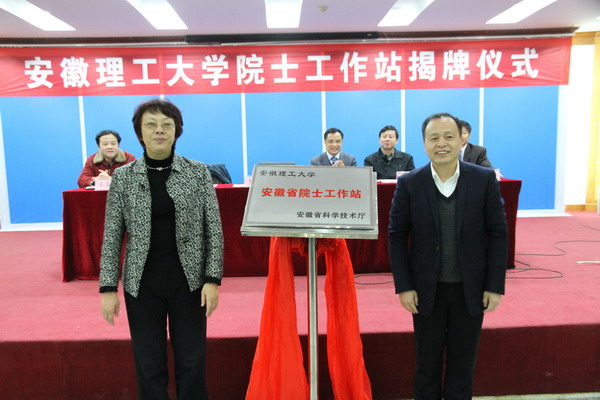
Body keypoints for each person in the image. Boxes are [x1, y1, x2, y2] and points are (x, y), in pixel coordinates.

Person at [99, 99, 224, 400]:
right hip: (142, 282)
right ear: (140, 133)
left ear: (176, 131)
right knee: (149, 362)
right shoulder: (124, 177)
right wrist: (107, 288)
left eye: (167, 125)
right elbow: (112, 235)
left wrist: (212, 279)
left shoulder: (197, 172)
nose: (159, 130)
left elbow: (214, 229)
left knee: (192, 360)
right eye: (151, 124)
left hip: (190, 282)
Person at [388, 112, 507, 400]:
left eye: (449, 136)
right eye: (434, 138)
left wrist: (494, 286)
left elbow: (498, 233)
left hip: (471, 288)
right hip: (425, 290)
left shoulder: (483, 179)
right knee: (426, 366)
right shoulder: (410, 183)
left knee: (462, 367)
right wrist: (404, 286)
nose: (441, 143)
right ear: (424, 144)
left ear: (461, 140)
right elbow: (396, 236)